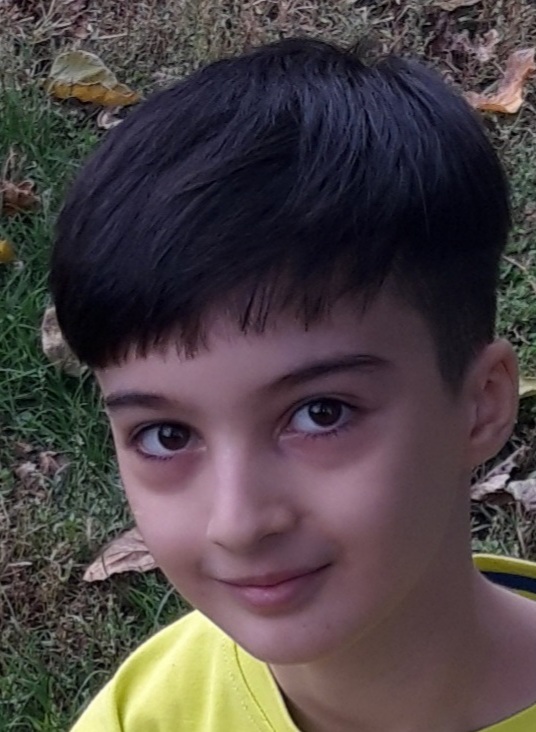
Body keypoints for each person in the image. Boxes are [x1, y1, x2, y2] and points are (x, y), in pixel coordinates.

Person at [50, 37, 536, 732]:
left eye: (320, 414)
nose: (238, 523)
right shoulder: (146, 716)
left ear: (481, 404)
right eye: (167, 435)